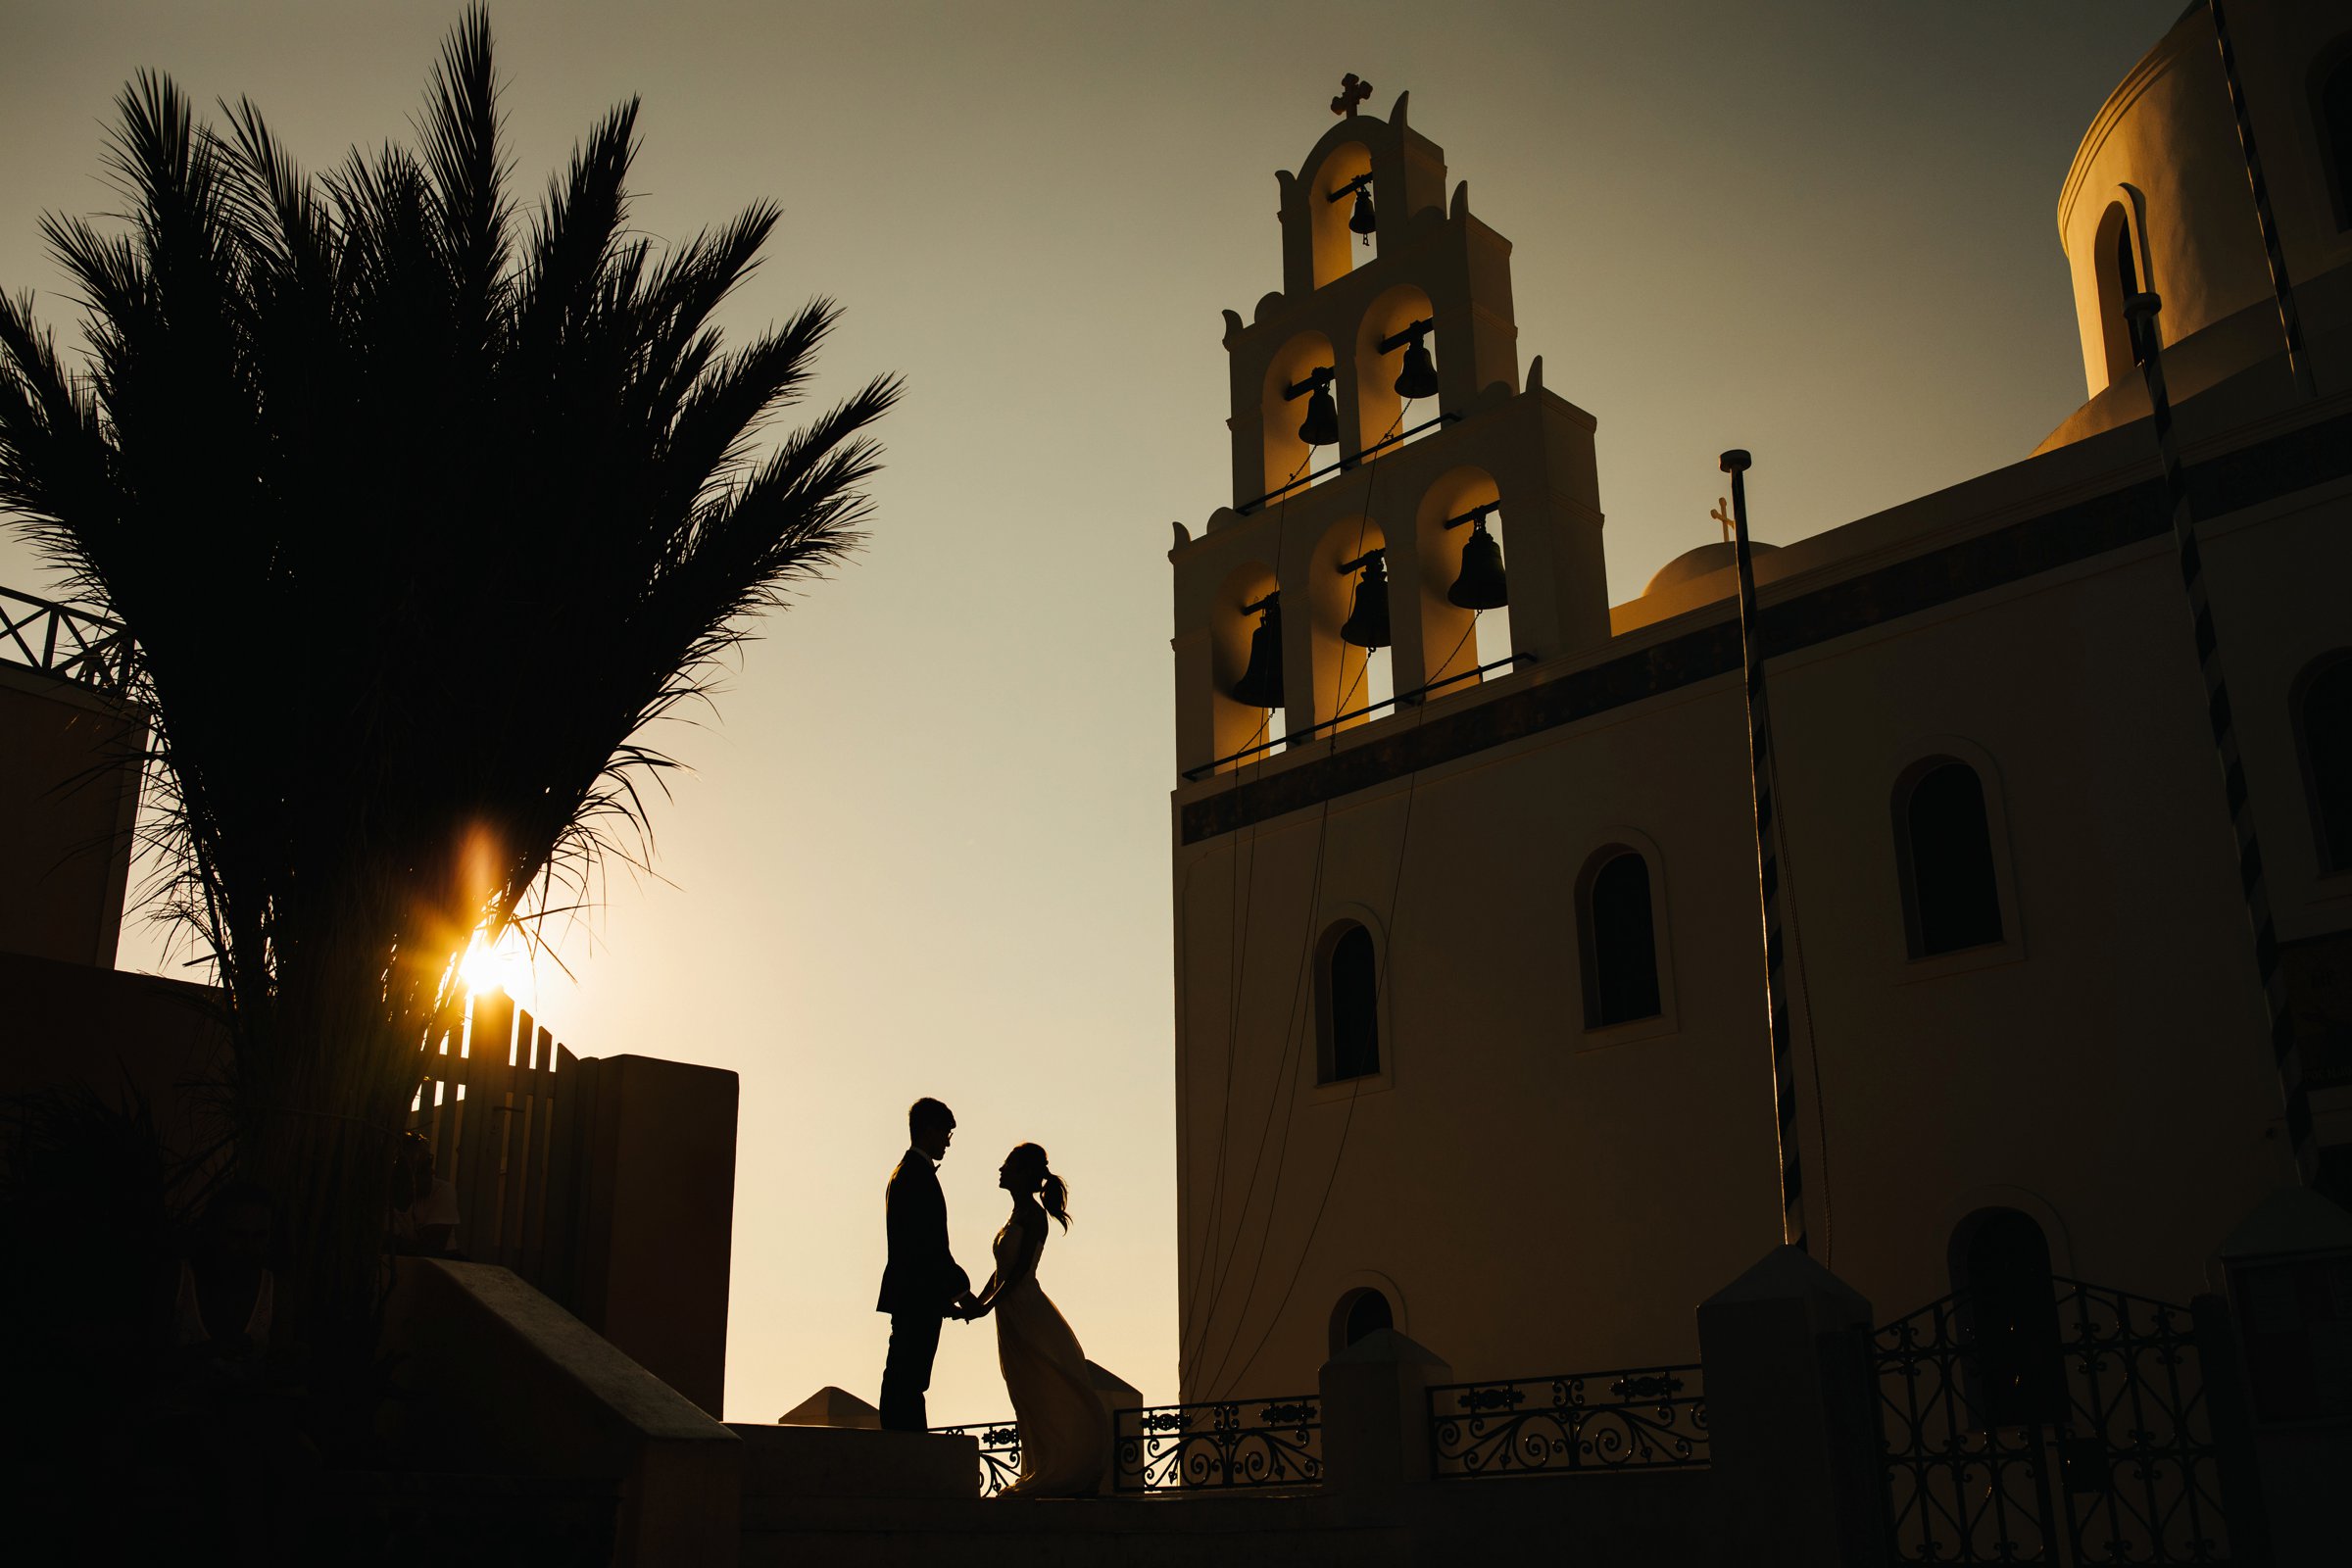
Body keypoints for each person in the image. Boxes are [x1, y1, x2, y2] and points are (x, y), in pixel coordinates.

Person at [966, 1143, 1107, 1497]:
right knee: (1023, 1390)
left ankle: (1061, 1466)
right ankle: (1038, 1463)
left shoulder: (1032, 1216)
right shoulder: (1014, 1217)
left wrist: (984, 1307)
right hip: (1009, 1313)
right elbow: (1001, 1272)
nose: (1000, 1170)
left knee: (1041, 1383)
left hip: (1027, 1311)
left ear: (1024, 1174)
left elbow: (1016, 1276)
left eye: (1008, 1165)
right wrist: (977, 1303)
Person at [877, 1098, 974, 1432]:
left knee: (906, 1377)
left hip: (913, 1295)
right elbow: (930, 1246)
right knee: (908, 1378)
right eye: (945, 1132)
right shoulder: (916, 1177)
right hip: (917, 1298)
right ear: (928, 1130)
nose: (948, 1141)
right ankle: (906, 1453)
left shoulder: (903, 1174)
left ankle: (905, 1448)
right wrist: (963, 1292)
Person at [389, 1132, 461, 1255]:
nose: (432, 1172)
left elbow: (432, 1249)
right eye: (422, 1168)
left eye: (429, 1163)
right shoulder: (379, 1194)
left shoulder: (441, 1190)